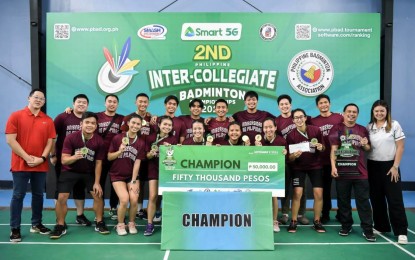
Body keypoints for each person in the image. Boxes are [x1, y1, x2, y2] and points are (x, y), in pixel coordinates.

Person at [6, 89, 56, 242]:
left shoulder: (47, 120)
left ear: (44, 102)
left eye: (42, 98)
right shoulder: (16, 116)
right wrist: (27, 157)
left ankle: (36, 224)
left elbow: (50, 141)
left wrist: (42, 158)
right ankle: (15, 228)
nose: (39, 100)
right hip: (21, 164)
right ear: (29, 98)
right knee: (18, 195)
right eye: (36, 97)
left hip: (39, 165)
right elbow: (11, 140)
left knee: (38, 195)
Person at [50, 112, 109, 239]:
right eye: (87, 122)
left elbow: (98, 163)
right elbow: (64, 160)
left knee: (98, 194)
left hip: (88, 172)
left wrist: (97, 182)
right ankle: (60, 225)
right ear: (81, 124)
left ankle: (99, 222)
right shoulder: (71, 137)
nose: (90, 125)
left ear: (96, 125)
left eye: (93, 123)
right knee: (62, 197)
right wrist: (74, 157)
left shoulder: (99, 141)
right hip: (69, 171)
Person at [330, 103, 376, 242]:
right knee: (343, 202)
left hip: (360, 172)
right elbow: (333, 150)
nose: (351, 114)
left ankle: (367, 229)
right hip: (343, 171)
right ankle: (346, 226)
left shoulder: (362, 129)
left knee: (363, 201)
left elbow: (368, 148)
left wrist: (364, 143)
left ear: (357, 114)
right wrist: (333, 167)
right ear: (343, 113)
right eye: (349, 111)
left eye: (354, 112)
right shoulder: (336, 129)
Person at [366, 100, 408, 245]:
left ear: (387, 112)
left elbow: (401, 147)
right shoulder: (369, 127)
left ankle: (401, 231)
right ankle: (381, 226)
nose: (379, 113)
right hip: (372, 166)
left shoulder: (394, 125)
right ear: (373, 112)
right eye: (376, 111)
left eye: (382, 111)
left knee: (394, 199)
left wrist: (395, 166)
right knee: (376, 199)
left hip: (390, 166)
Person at [50, 94, 91, 226]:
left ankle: (80, 215)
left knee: (80, 188)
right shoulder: (63, 117)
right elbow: (52, 136)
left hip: (82, 161)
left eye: (84, 103)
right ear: (73, 104)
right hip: (64, 160)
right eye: (79, 102)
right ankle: (60, 219)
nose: (81, 104)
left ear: (87, 105)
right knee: (61, 190)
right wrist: (53, 155)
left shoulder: (88, 118)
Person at [286, 109, 325, 233]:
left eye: (301, 117)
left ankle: (317, 221)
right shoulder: (291, 135)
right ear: (292, 120)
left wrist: (321, 147)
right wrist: (294, 156)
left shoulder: (316, 130)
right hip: (298, 167)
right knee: (297, 193)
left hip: (315, 166)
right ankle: (293, 221)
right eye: (296, 118)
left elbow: (323, 148)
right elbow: (289, 158)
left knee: (318, 193)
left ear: (305, 118)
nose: (299, 119)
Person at [108, 114, 145, 236]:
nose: (135, 126)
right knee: (124, 200)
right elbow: (109, 157)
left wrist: (134, 181)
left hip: (131, 176)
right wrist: (120, 151)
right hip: (117, 175)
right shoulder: (117, 138)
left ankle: (131, 223)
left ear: (140, 126)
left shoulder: (140, 142)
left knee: (134, 199)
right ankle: (120, 224)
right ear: (128, 123)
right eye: (133, 123)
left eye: (138, 124)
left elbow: (137, 163)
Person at [274, 94, 308, 225]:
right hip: (286, 159)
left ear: (290, 105)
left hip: (301, 158)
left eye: (286, 104)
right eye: (281, 104)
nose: (284, 106)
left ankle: (301, 214)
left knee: (300, 187)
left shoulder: (298, 116)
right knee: (285, 187)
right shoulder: (276, 121)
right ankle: (285, 213)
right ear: (278, 107)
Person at [309, 94, 343, 223]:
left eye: (325, 102)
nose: (324, 105)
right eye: (321, 103)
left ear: (330, 103)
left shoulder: (339, 117)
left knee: (342, 188)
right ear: (317, 106)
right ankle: (325, 213)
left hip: (339, 158)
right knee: (326, 190)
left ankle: (342, 213)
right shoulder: (313, 121)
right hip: (322, 160)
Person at [144, 116, 178, 236]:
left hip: (167, 171)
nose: (167, 127)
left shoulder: (173, 139)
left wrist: (172, 149)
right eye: (165, 124)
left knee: (167, 196)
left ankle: (169, 222)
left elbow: (176, 158)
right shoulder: (151, 138)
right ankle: (149, 224)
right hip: (154, 169)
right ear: (159, 125)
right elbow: (146, 156)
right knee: (153, 196)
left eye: (169, 125)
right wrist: (151, 154)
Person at [120, 93, 152, 220]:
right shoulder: (128, 118)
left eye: (145, 102)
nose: (143, 104)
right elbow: (123, 135)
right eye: (140, 102)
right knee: (125, 183)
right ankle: (119, 208)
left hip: (146, 155)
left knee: (142, 182)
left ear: (148, 103)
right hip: (130, 155)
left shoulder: (151, 118)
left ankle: (139, 209)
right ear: (135, 102)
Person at [256, 118, 288, 232]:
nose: (268, 129)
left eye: (270, 127)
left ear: (275, 128)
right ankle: (260, 219)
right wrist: (256, 149)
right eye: (266, 127)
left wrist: (285, 154)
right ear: (262, 129)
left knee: (274, 195)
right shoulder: (258, 141)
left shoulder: (281, 141)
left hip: (275, 174)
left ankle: (274, 221)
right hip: (260, 173)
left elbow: (285, 159)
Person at [95, 94, 124, 220]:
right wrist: (69, 110)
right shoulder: (96, 117)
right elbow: (81, 117)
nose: (112, 104)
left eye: (114, 102)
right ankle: (99, 210)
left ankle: (113, 207)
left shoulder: (122, 119)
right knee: (99, 183)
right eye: (109, 101)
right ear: (105, 103)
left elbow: (138, 119)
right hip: (99, 157)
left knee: (115, 184)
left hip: (115, 156)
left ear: (117, 104)